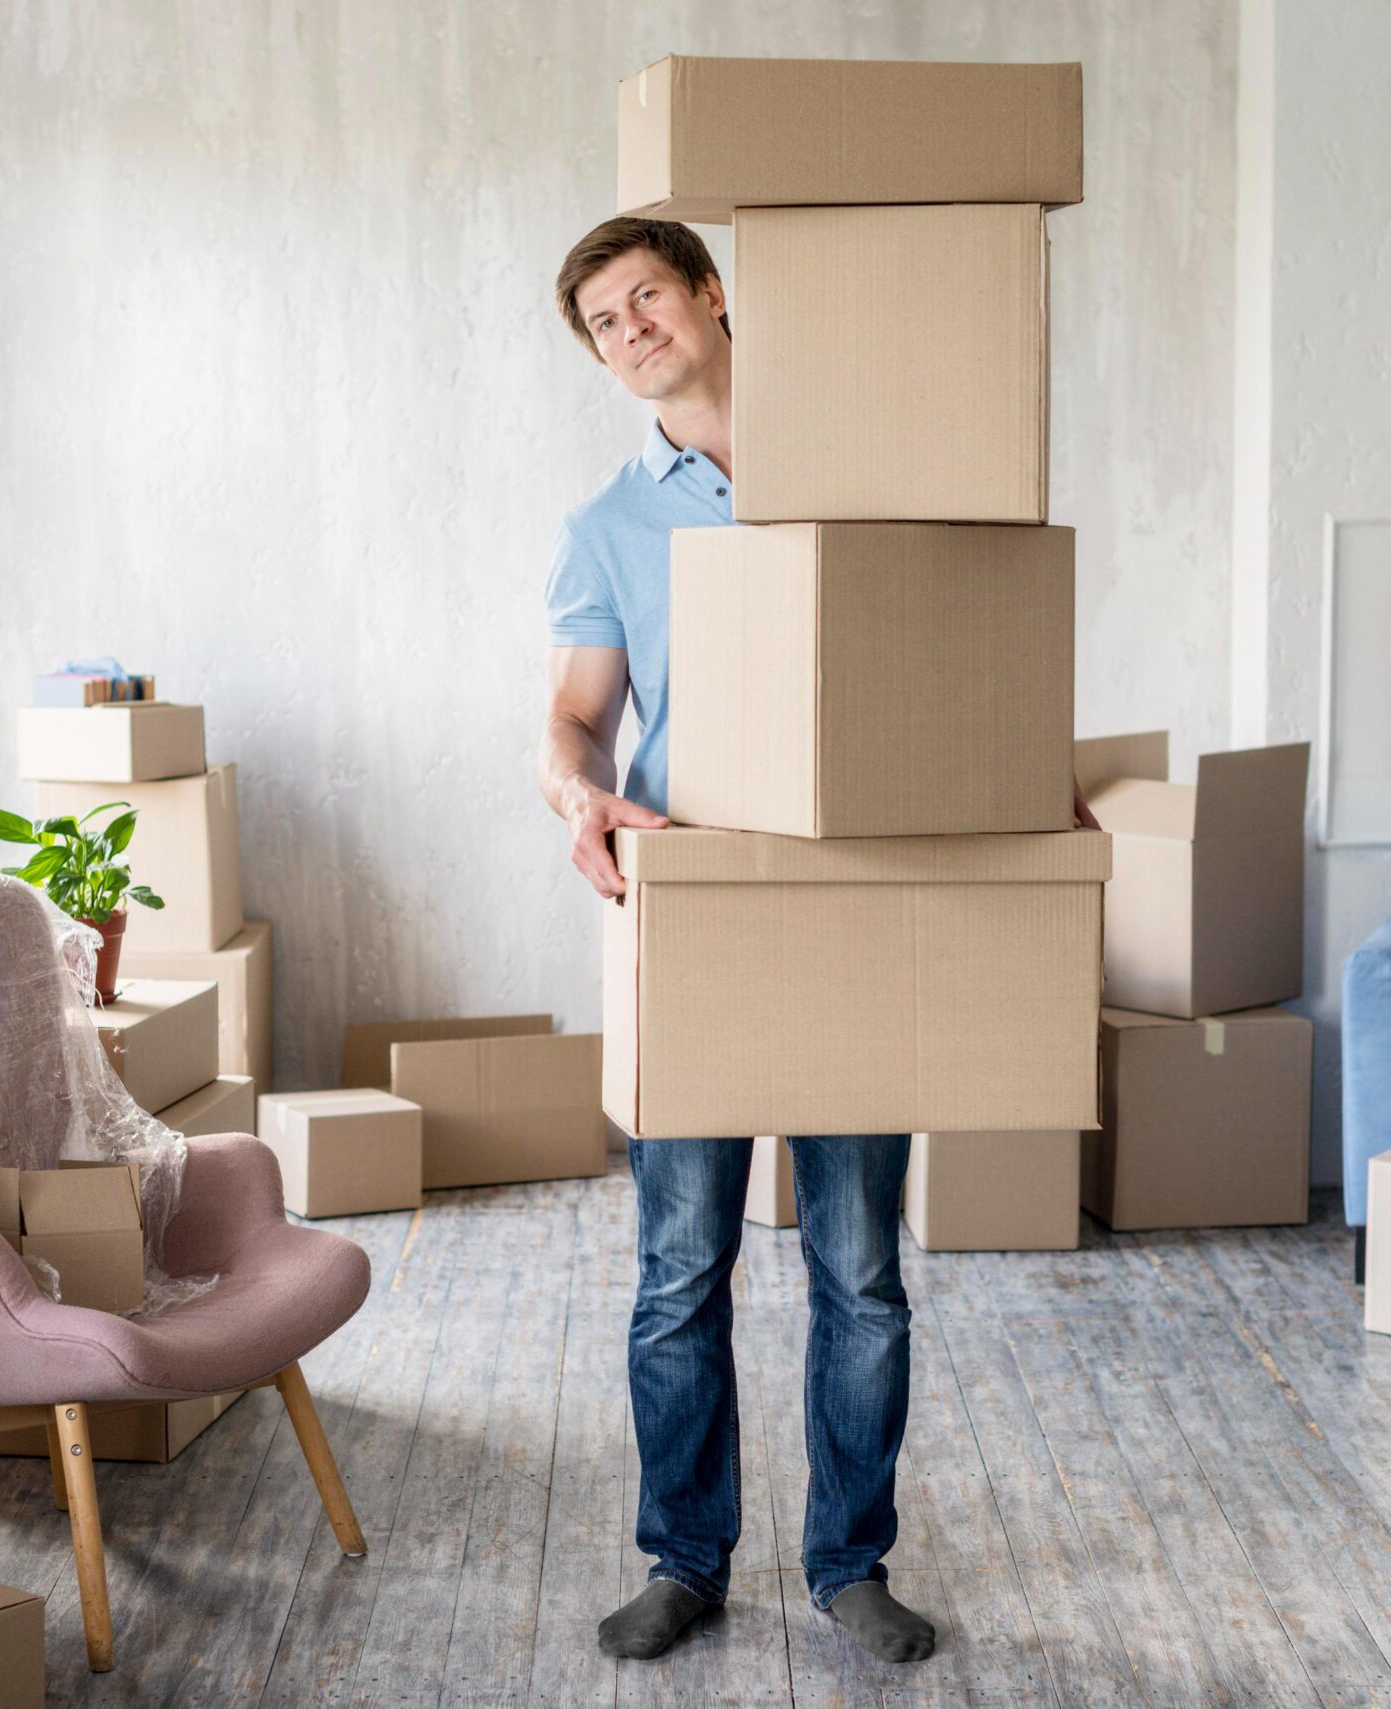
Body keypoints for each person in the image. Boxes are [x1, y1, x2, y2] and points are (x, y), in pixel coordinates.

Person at [535, 216, 941, 1667]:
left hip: (853, 903)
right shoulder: (612, 525)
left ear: (712, 294)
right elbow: (574, 721)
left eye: (645, 293)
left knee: (861, 1272)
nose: (629, 326)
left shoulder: (867, 466)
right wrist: (582, 796)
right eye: (601, 320)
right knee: (678, 1271)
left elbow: (948, 647)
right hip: (698, 909)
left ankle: (851, 1563)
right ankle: (686, 1556)